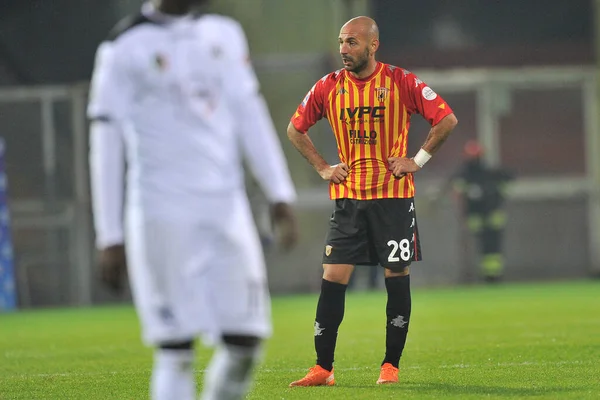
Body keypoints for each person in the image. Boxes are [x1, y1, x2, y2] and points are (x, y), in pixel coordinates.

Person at [87, 1, 298, 399]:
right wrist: (109, 234)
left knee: (245, 342)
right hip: (161, 211)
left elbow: (249, 111)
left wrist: (279, 193)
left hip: (227, 208)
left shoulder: (225, 33)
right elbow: (106, 139)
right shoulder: (123, 46)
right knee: (175, 351)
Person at [287, 16, 458, 386]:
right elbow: (295, 129)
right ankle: (323, 368)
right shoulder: (329, 86)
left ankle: (390, 366)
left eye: (351, 42)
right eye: (341, 42)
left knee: (396, 276)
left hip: (393, 200)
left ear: (372, 45)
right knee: (332, 277)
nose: (343, 50)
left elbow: (445, 119)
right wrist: (322, 167)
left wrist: (417, 160)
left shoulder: (401, 82)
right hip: (348, 201)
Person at [450, 140, 513, 282]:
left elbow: (508, 178)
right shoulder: (466, 175)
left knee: (491, 246)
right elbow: (457, 194)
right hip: (477, 217)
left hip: (490, 216)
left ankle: (492, 276)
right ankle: (485, 275)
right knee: (484, 246)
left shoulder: (488, 172)